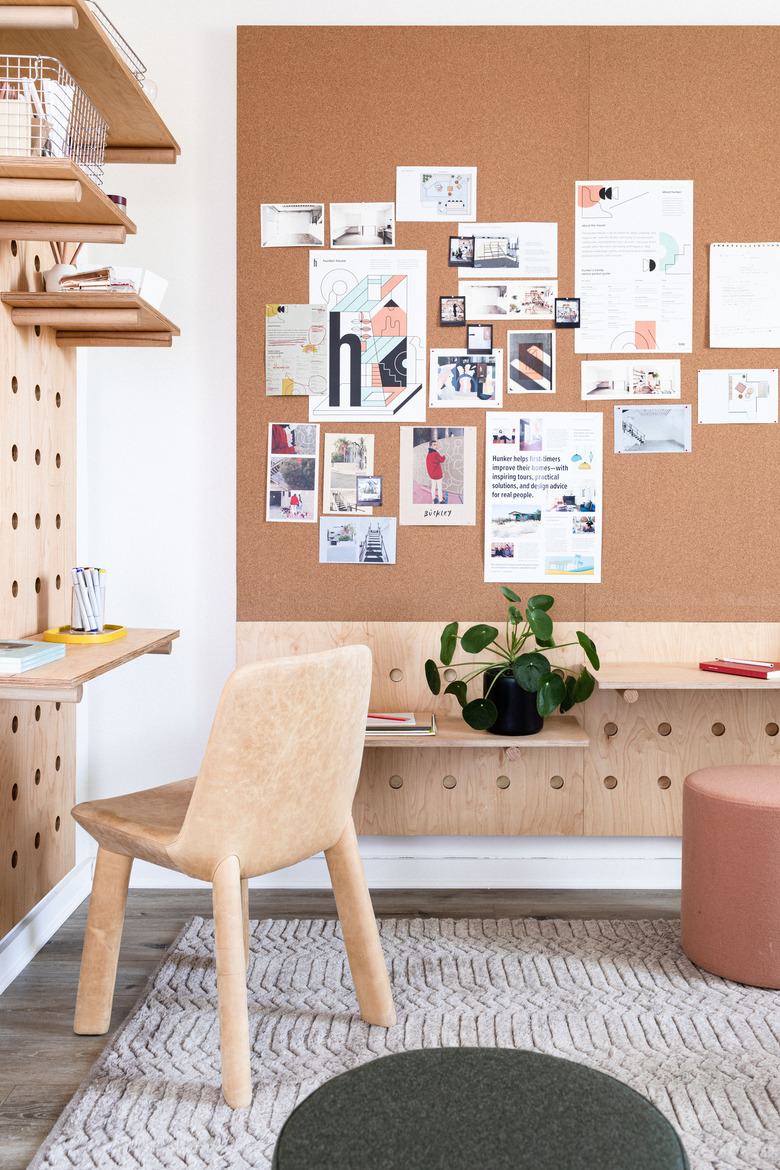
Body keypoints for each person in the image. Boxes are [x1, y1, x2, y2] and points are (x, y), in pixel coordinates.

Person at [426, 438, 446, 504]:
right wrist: (444, 456)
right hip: (437, 475)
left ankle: (434, 499)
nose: (436, 446)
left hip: (432, 475)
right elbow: (442, 460)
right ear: (431, 446)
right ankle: (440, 500)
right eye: (434, 445)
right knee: (439, 488)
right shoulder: (435, 454)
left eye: (436, 445)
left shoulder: (428, 455)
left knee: (433, 487)